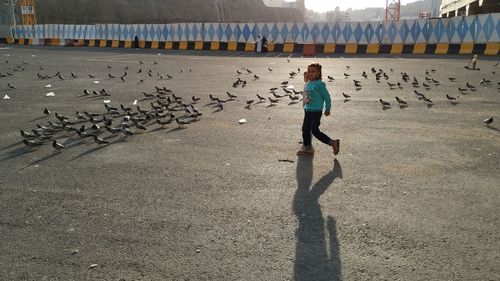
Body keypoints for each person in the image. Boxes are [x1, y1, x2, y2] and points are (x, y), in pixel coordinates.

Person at [297, 63, 340, 156]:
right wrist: (304, 104)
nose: (310, 73)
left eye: (313, 71)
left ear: (318, 73)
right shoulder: (308, 83)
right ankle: (308, 148)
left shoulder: (320, 84)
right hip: (307, 110)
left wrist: (328, 108)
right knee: (305, 129)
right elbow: (306, 94)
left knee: (315, 130)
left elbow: (327, 97)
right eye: (309, 71)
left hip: (316, 111)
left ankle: (333, 142)